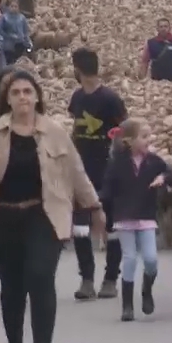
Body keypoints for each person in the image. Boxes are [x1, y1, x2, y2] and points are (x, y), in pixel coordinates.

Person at [0, 70, 103, 343]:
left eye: (28, 91)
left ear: (37, 96)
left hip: (44, 214)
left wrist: (94, 208)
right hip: (2, 217)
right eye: (16, 93)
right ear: (7, 99)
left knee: (40, 277)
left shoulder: (54, 132)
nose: (23, 97)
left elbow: (76, 172)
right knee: (12, 286)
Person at [101, 119, 172, 321]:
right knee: (130, 258)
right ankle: (127, 306)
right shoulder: (117, 163)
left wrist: (164, 179)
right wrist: (102, 212)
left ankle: (147, 289)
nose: (148, 140)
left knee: (151, 259)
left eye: (149, 136)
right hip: (124, 218)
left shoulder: (153, 161)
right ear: (129, 141)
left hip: (146, 217)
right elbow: (107, 190)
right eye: (143, 136)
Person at [68, 48, 126, 301]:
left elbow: (124, 129)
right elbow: (75, 127)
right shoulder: (77, 97)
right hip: (82, 169)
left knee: (112, 224)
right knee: (80, 226)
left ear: (78, 69)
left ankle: (111, 278)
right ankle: (87, 278)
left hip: (108, 169)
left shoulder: (110, 98)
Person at [0, 0, 32, 66]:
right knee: (10, 63)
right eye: (12, 6)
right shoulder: (4, 17)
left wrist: (28, 42)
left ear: (18, 7)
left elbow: (25, 31)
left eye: (15, 6)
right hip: (8, 45)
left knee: (21, 62)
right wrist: (9, 36)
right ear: (8, 7)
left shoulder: (22, 18)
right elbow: (1, 31)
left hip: (20, 43)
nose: (14, 8)